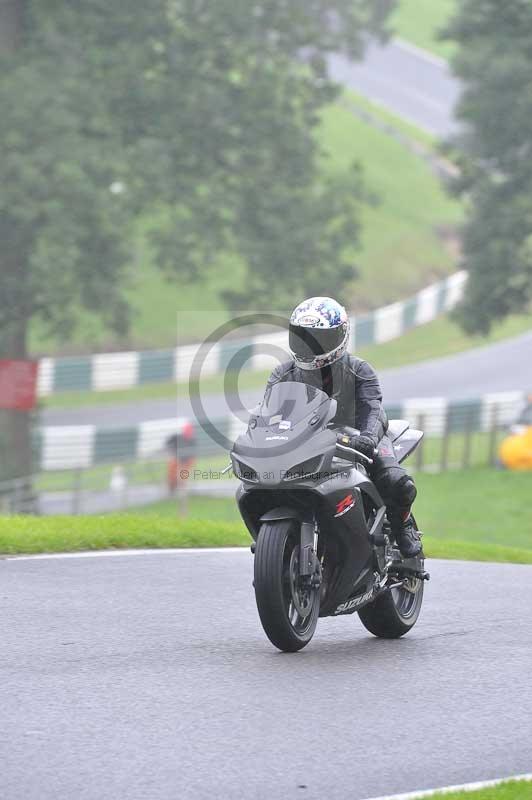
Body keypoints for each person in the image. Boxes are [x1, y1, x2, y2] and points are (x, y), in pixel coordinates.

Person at [264, 296, 422, 558]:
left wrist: (368, 438)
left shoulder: (359, 370)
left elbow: (372, 407)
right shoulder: (282, 374)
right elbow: (270, 413)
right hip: (309, 438)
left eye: (319, 338)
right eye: (303, 337)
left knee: (396, 482)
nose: (311, 346)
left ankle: (402, 524)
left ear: (340, 336)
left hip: (358, 434)